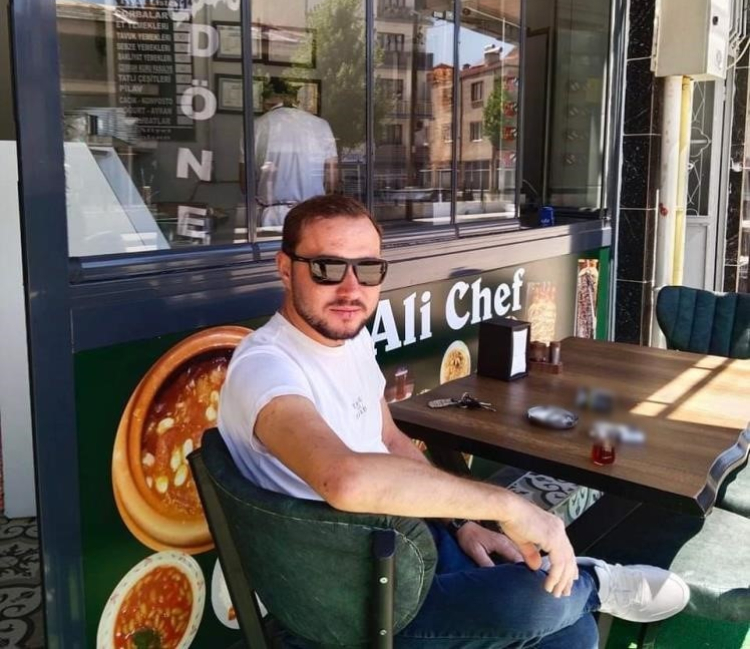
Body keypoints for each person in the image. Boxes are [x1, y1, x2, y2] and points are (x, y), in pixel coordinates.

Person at [218, 195, 689, 648]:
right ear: (286, 269)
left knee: (572, 631)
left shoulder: (350, 338)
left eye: (368, 269)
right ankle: (597, 582)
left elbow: (388, 439)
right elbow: (344, 479)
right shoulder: (265, 366)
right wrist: (510, 507)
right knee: (541, 606)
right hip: (345, 599)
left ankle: (575, 588)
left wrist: (463, 523)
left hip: (403, 546)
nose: (351, 289)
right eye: (327, 268)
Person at [250, 77, 339, 228]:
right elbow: (332, 179)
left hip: (271, 214)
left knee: (272, 244)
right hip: (311, 211)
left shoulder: (255, 126)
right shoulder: (321, 125)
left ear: (266, 99)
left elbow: (245, 182)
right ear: (294, 99)